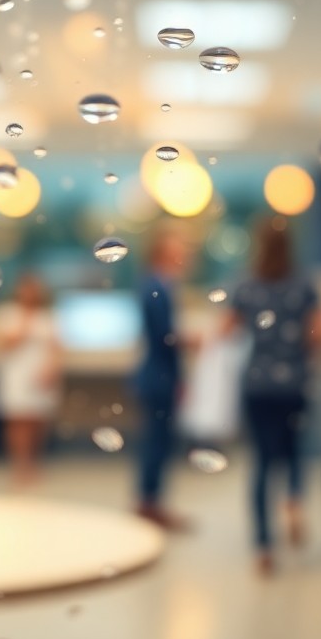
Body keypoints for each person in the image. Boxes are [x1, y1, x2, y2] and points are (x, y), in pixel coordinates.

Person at [220, 217, 321, 577]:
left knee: (262, 463)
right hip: (294, 383)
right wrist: (303, 352)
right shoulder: (304, 285)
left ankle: (264, 547)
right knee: (296, 451)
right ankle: (294, 500)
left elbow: (225, 330)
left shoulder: (246, 284)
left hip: (257, 383)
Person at [134, 225, 194, 529]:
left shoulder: (159, 285)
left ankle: (152, 500)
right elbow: (164, 337)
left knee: (159, 441)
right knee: (157, 443)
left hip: (160, 376)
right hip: (158, 377)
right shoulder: (157, 287)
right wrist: (192, 341)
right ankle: (149, 503)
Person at [0, 273, 63, 488]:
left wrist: (52, 369)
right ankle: (19, 466)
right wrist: (25, 322)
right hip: (16, 375)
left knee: (37, 420)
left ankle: (34, 464)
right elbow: (2, 343)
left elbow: (58, 347)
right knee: (17, 420)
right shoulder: (7, 314)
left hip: (40, 375)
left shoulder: (48, 316)